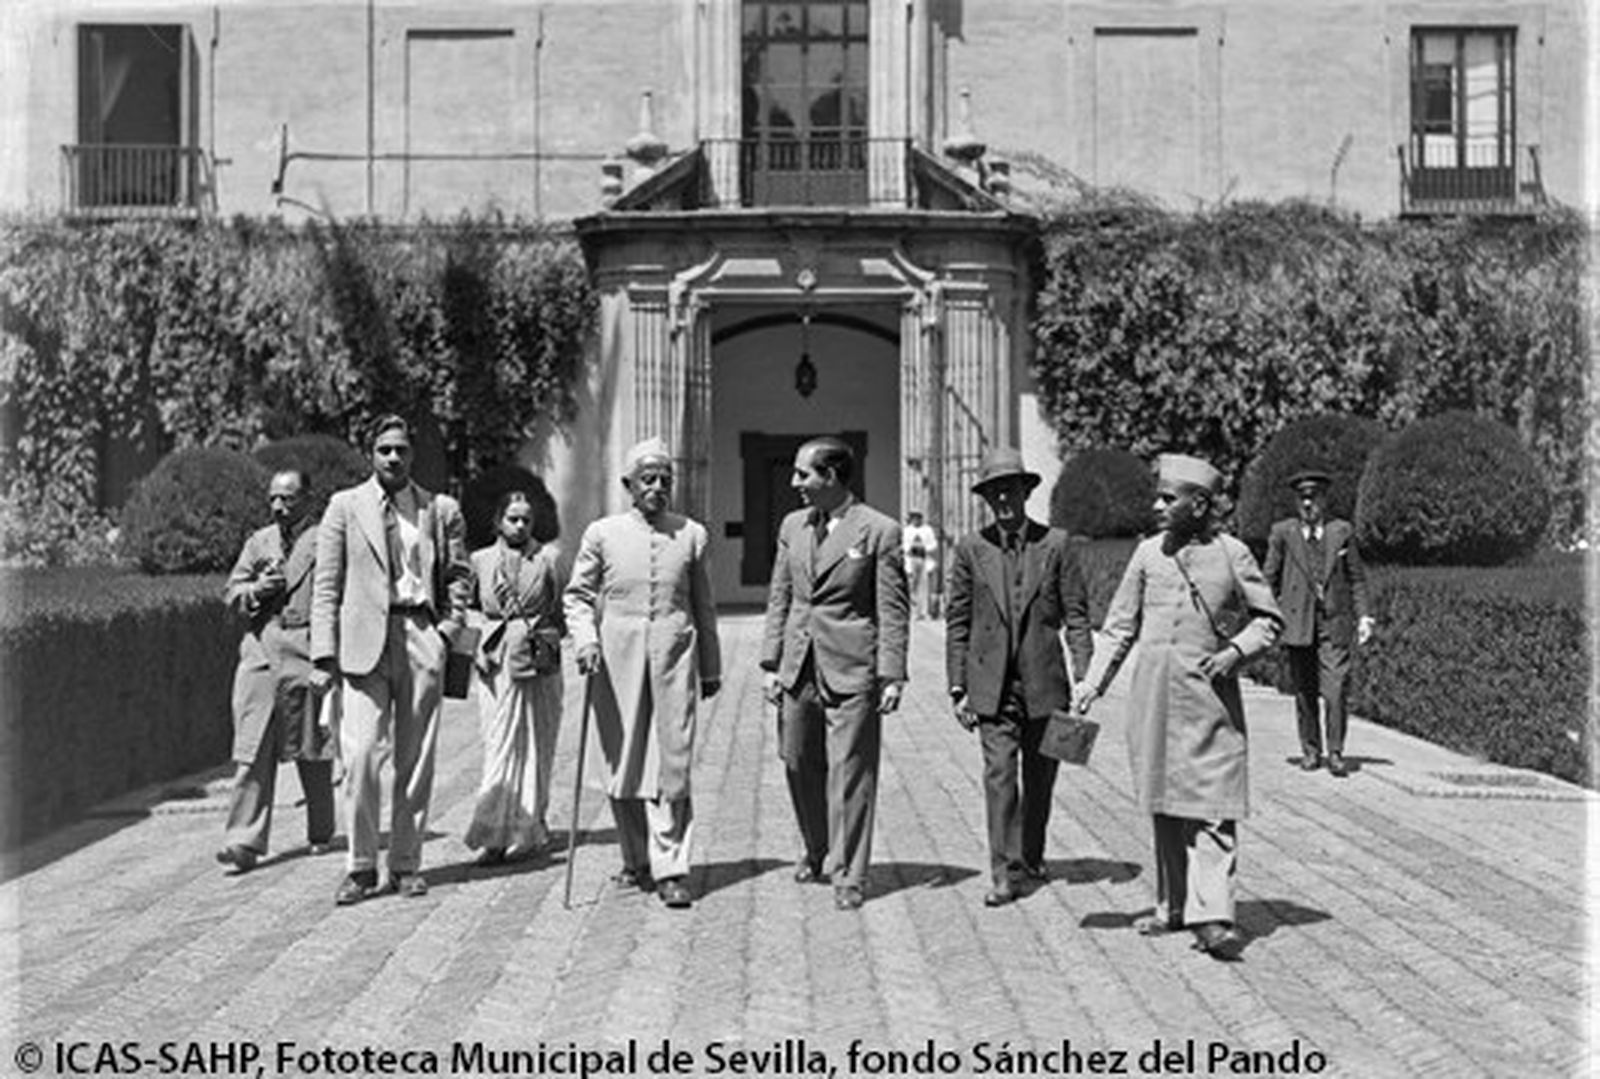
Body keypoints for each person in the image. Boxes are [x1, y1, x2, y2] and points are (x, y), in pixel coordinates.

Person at [1072, 453, 1282, 960]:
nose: (1157, 506)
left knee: (1211, 805)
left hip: (1210, 703)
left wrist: (1235, 652)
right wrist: (1091, 685)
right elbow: (1120, 626)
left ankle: (1213, 918)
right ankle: (1172, 907)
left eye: (1169, 499)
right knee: (1165, 804)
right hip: (1154, 700)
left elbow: (1269, 619)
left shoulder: (1232, 554)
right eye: (1159, 496)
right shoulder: (1147, 554)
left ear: (1200, 503)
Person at [310, 415, 471, 906]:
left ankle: (405, 864)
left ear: (412, 454)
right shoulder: (343, 507)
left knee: (414, 759)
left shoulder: (438, 509)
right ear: (370, 454)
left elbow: (460, 576)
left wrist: (447, 631)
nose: (393, 458)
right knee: (359, 758)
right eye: (384, 450)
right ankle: (361, 867)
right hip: (362, 642)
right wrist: (323, 654)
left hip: (420, 632)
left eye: (401, 449)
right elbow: (327, 585)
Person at [563, 439, 721, 909]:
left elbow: (704, 605)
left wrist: (710, 667)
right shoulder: (602, 533)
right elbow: (576, 596)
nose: (657, 488)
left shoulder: (691, 534)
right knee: (625, 761)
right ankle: (636, 860)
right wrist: (586, 641)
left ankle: (672, 868)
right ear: (628, 485)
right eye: (648, 479)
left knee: (672, 762)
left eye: (665, 480)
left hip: (675, 657)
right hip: (616, 660)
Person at [760, 436, 909, 911]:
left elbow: (892, 608)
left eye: (804, 474)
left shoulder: (879, 531)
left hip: (852, 667)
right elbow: (780, 595)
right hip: (799, 663)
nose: (794, 483)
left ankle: (849, 874)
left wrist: (892, 674)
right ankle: (816, 847)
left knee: (851, 772)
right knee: (798, 761)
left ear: (833, 477)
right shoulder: (793, 525)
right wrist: (771, 662)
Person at [945, 447, 1093, 907]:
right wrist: (957, 686)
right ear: (987, 499)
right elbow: (958, 621)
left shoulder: (1057, 545)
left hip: (1045, 684)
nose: (1003, 500)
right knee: (1000, 776)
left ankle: (1031, 853)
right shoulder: (972, 549)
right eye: (994, 493)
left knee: (1042, 778)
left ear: (1026, 492)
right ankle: (1005, 873)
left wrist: (1086, 677)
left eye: (1010, 490)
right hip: (993, 687)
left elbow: (1077, 616)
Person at [216, 469, 336, 872]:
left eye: (288, 498)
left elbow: (338, 596)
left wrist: (328, 657)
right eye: (273, 498)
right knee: (252, 746)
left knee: (312, 744)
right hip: (261, 649)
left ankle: (321, 830)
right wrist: (254, 592)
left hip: (307, 647)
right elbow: (231, 592)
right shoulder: (259, 542)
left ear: (308, 499)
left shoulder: (325, 539)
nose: (279, 506)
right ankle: (242, 842)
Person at [464, 489, 565, 865]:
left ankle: (529, 828)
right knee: (498, 745)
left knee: (538, 744)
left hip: (538, 662)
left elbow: (563, 609)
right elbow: (467, 608)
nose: (520, 525)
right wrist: (476, 646)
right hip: (495, 662)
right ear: (498, 522)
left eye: (526, 519)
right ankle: (492, 833)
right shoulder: (479, 560)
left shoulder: (550, 559)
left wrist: (545, 640)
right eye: (513, 518)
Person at [1262, 469, 1374, 778]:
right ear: (1296, 502)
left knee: (1336, 689)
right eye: (1303, 498)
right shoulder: (1283, 533)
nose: (1308, 504)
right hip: (1298, 622)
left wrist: (1364, 615)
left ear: (1325, 500)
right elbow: (1267, 579)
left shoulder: (1342, 532)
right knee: (1304, 691)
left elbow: (1356, 578)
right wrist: (1267, 617)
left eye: (1314, 497)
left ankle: (1336, 752)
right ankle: (1311, 750)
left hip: (1333, 623)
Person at [902, 510, 939, 619]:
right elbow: (904, 544)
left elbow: (933, 544)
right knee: (912, 586)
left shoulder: (927, 530)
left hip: (923, 559)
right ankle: (914, 612)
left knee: (924, 586)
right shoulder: (907, 530)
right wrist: (910, 547)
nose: (915, 519)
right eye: (913, 517)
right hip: (911, 559)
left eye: (917, 517)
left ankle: (924, 611)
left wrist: (923, 547)